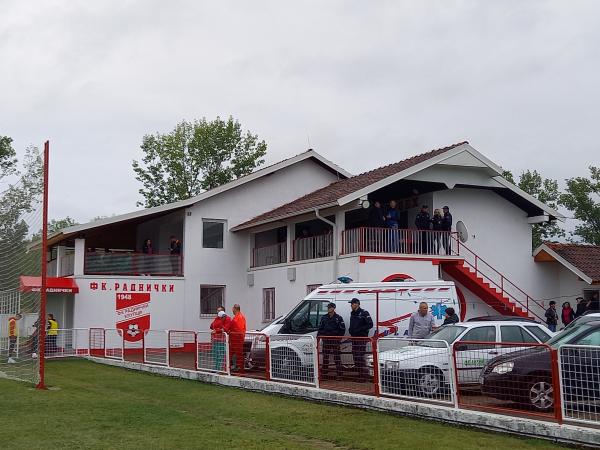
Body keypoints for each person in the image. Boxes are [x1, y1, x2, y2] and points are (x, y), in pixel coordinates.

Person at [317, 302, 346, 379]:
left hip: (335, 341)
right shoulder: (324, 317)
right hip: (326, 341)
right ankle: (325, 375)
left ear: (333, 308)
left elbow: (342, 330)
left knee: (337, 358)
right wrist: (319, 337)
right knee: (325, 358)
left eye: (330, 307)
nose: (328, 309)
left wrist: (338, 340)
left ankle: (339, 375)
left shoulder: (338, 318)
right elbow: (320, 329)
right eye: (328, 307)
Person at [348, 298, 373, 381]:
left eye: (352, 303)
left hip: (361, 338)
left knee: (359, 356)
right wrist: (350, 330)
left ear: (357, 304)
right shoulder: (353, 313)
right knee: (355, 356)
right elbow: (352, 325)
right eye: (351, 304)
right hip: (354, 338)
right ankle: (360, 374)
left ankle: (363, 375)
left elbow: (370, 324)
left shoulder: (364, 312)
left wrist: (360, 329)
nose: (351, 305)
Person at [210, 306, 232, 372]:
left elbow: (225, 329)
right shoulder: (217, 318)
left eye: (219, 311)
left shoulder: (227, 318)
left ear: (223, 311)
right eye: (217, 311)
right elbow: (211, 326)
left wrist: (217, 330)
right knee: (216, 354)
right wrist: (216, 329)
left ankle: (222, 369)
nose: (218, 312)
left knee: (221, 354)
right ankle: (216, 368)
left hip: (222, 339)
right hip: (215, 339)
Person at [228, 304, 247, 372]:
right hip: (235, 338)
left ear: (235, 309)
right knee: (232, 353)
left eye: (232, 309)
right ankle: (231, 367)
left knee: (238, 354)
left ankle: (240, 369)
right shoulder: (237, 317)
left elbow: (239, 329)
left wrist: (231, 331)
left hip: (237, 338)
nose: (232, 311)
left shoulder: (239, 317)